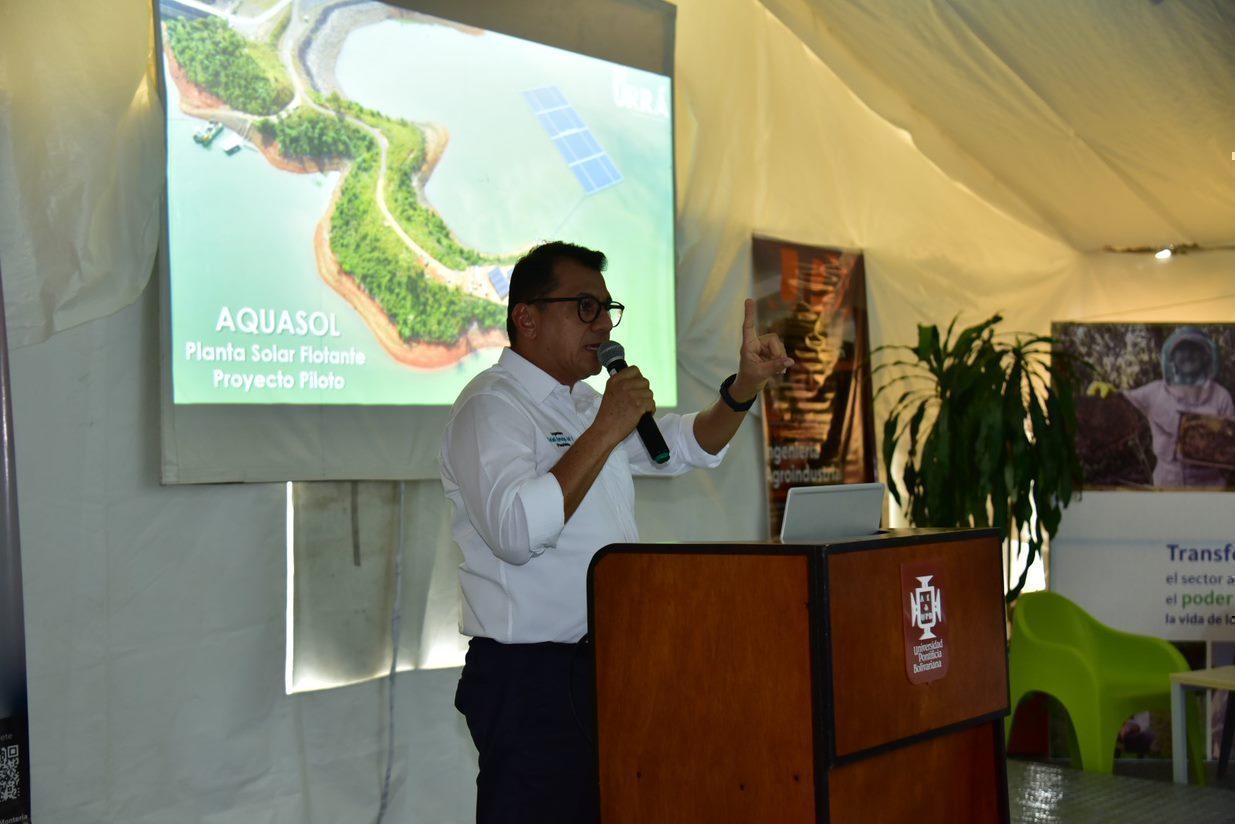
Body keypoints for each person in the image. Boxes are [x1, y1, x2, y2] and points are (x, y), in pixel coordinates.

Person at [439, 240, 793, 823]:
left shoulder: (581, 405)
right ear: (526, 317)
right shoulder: (490, 409)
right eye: (584, 307)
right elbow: (515, 530)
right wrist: (606, 427)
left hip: (607, 664)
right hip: (529, 679)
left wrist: (744, 388)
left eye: (607, 309)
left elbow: (682, 445)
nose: (603, 324)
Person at [1089, 326, 1234, 488]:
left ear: (1205, 356)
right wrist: (1108, 393)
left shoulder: (1221, 396)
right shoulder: (1154, 391)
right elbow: (1124, 403)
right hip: (1166, 484)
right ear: (1171, 357)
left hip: (1209, 487)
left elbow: (1230, 442)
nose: (1188, 355)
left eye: (1195, 349)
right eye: (1182, 350)